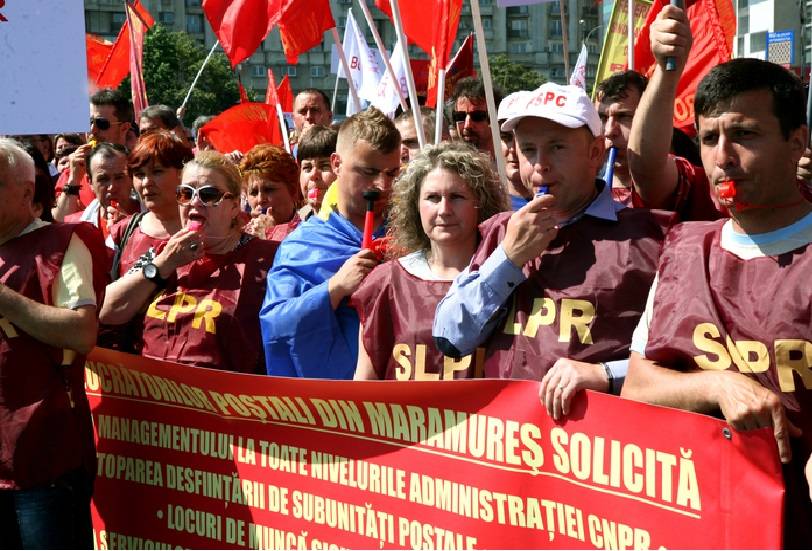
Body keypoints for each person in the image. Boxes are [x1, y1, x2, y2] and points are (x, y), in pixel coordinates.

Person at [622, 57, 812, 549]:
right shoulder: (683, 249)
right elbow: (638, 386)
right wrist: (717, 385)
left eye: (744, 135)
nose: (722, 157)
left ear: (797, 142)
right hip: (696, 525)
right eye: (709, 138)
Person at [432, 82, 674, 419]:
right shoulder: (499, 231)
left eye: (557, 147)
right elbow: (450, 338)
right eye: (528, 149)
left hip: (602, 440)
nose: (540, 164)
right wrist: (509, 258)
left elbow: (680, 361)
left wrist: (606, 374)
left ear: (595, 153)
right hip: (510, 435)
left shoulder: (650, 237)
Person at [0, 138, 107, 548]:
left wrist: (3, 297)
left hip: (44, 455)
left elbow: (82, 331)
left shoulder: (61, 243)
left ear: (27, 192)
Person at [100, 151, 278, 373]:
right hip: (156, 389)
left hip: (223, 392)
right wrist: (163, 264)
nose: (195, 202)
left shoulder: (267, 257)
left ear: (234, 206)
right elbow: (106, 311)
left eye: (209, 194)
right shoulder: (164, 251)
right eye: (185, 193)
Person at [260, 107, 401, 379]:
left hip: (402, 396)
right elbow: (275, 326)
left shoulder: (415, 237)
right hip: (332, 399)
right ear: (336, 164)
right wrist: (334, 289)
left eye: (392, 173)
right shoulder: (301, 244)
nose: (383, 185)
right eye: (369, 172)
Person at [353, 142, 507, 380]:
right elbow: (365, 382)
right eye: (433, 198)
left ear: (480, 203)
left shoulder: (506, 275)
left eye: (457, 197)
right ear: (416, 205)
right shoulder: (385, 283)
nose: (444, 210)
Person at [99, 132, 192, 352]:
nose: (146, 183)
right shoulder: (123, 232)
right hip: (132, 364)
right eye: (139, 174)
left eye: (157, 172)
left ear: (182, 174)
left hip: (190, 360)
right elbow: (100, 303)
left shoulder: (207, 229)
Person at [56, 89, 134, 216]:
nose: (93, 130)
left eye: (102, 124)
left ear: (124, 128)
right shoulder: (73, 170)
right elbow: (60, 220)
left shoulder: (140, 167)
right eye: (89, 122)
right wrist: (74, 180)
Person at [63, 143, 139, 243]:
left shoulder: (154, 220)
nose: (112, 187)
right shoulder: (75, 227)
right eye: (103, 179)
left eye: (119, 177)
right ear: (90, 182)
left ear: (131, 177)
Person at [594, 70, 648, 206]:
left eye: (623, 117)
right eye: (603, 118)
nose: (609, 131)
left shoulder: (676, 187)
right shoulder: (581, 191)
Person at [239, 144, 302, 241]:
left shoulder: (308, 234)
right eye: (254, 193)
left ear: (293, 191)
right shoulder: (238, 237)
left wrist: (270, 234)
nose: (260, 199)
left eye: (269, 190)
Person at [497, 91, 533, 210]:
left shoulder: (558, 204)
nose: (513, 149)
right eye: (505, 138)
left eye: (522, 140)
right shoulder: (485, 202)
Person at [450, 77, 502, 158]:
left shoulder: (510, 162)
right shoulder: (450, 163)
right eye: (460, 116)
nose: (467, 125)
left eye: (477, 116)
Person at [296, 124, 338, 219]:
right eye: (307, 168)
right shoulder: (298, 224)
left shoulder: (357, 225)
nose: (314, 175)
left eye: (324, 166)